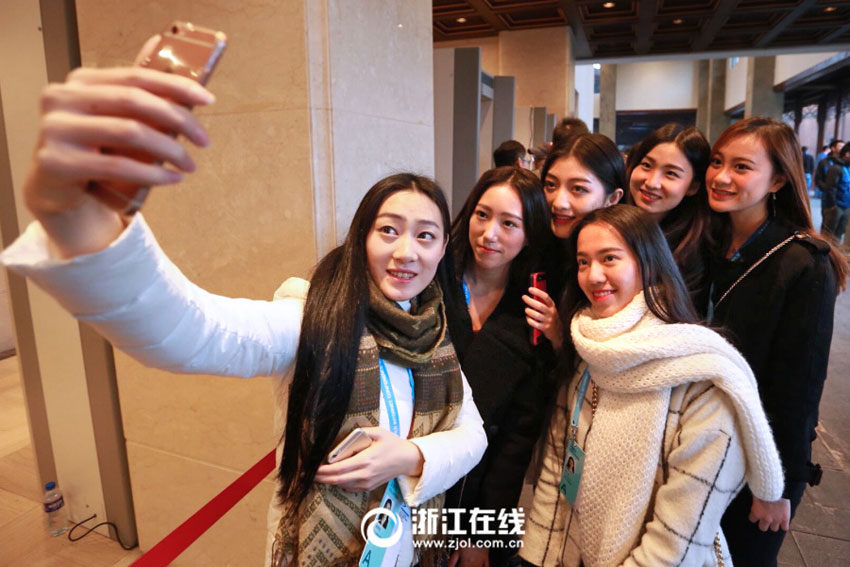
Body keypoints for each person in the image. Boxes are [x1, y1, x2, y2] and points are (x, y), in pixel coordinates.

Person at [0, 66, 488, 567]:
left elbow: (473, 436)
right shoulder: (314, 318)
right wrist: (95, 235)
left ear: (442, 248)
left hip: (412, 549)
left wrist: (409, 457)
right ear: (361, 237)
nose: (407, 251)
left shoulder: (434, 333)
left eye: (425, 235)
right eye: (388, 230)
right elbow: (194, 331)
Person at [519, 205, 784, 567]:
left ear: (648, 263)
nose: (593, 275)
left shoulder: (702, 381)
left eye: (609, 258)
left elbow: (677, 540)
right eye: (583, 262)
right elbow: (558, 469)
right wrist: (538, 558)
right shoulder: (590, 355)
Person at [706, 117, 848, 567]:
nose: (720, 176)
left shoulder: (803, 263)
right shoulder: (706, 242)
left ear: (778, 180)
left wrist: (778, 487)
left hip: (758, 458)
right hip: (701, 445)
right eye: (716, 162)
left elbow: (799, 390)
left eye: (741, 167)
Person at [443, 166, 551, 567]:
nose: (489, 234)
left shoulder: (534, 315)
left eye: (509, 224)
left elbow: (516, 441)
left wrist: (482, 534)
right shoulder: (432, 285)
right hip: (410, 486)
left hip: (481, 495)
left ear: (529, 235)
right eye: (482, 215)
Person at [522, 134, 625, 351]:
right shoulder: (531, 248)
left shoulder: (625, 265)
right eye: (551, 185)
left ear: (613, 198)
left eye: (578, 189)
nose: (558, 203)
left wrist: (559, 335)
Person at [625, 124, 712, 314]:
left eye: (671, 173)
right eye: (646, 165)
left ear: (693, 187)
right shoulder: (608, 223)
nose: (652, 182)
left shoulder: (695, 252)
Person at [821, 143, 850, 245]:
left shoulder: (847, 168)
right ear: (847, 154)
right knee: (828, 235)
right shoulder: (835, 168)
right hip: (836, 206)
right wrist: (833, 205)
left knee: (838, 235)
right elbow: (830, 188)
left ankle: (835, 254)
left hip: (846, 206)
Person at [814, 138, 844, 203]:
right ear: (833, 148)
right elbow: (818, 178)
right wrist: (826, 189)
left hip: (844, 198)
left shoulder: (845, 163)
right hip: (828, 199)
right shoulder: (824, 162)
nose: (843, 148)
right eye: (840, 146)